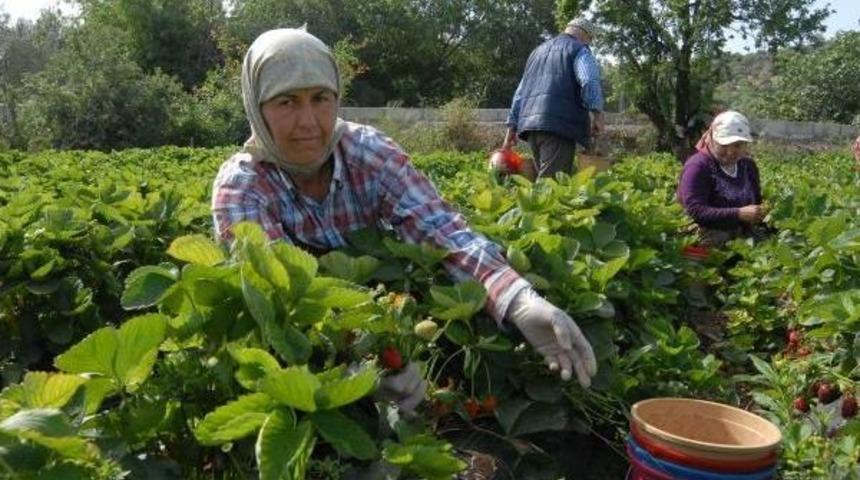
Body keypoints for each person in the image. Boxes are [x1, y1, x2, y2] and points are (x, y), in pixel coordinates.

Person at [211, 28, 598, 411]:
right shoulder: (242, 188)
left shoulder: (368, 153)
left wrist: (519, 300)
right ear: (256, 107)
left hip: (383, 316)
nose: (309, 121)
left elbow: (442, 230)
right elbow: (280, 301)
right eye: (286, 102)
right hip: (301, 366)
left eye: (320, 98)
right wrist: (365, 360)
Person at [502, 16, 605, 178]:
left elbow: (519, 95)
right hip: (558, 127)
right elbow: (589, 81)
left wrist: (511, 129)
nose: (589, 43)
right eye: (590, 39)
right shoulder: (579, 50)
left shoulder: (536, 53)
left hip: (530, 128)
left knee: (544, 181)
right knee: (550, 188)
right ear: (585, 35)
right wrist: (597, 114)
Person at [677, 111, 765, 247]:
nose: (730, 152)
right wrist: (738, 214)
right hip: (705, 232)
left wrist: (760, 212)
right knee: (712, 250)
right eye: (723, 145)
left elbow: (757, 200)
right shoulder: (698, 167)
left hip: (740, 231)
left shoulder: (747, 166)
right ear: (711, 138)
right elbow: (696, 210)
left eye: (737, 145)